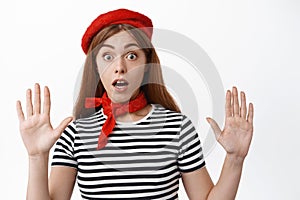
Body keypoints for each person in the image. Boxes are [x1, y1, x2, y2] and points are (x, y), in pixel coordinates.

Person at [16, 8, 254, 200]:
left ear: (147, 64)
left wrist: (235, 159)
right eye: (107, 56)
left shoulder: (178, 128)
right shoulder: (75, 134)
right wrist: (37, 156)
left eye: (132, 55)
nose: (120, 67)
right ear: (96, 67)